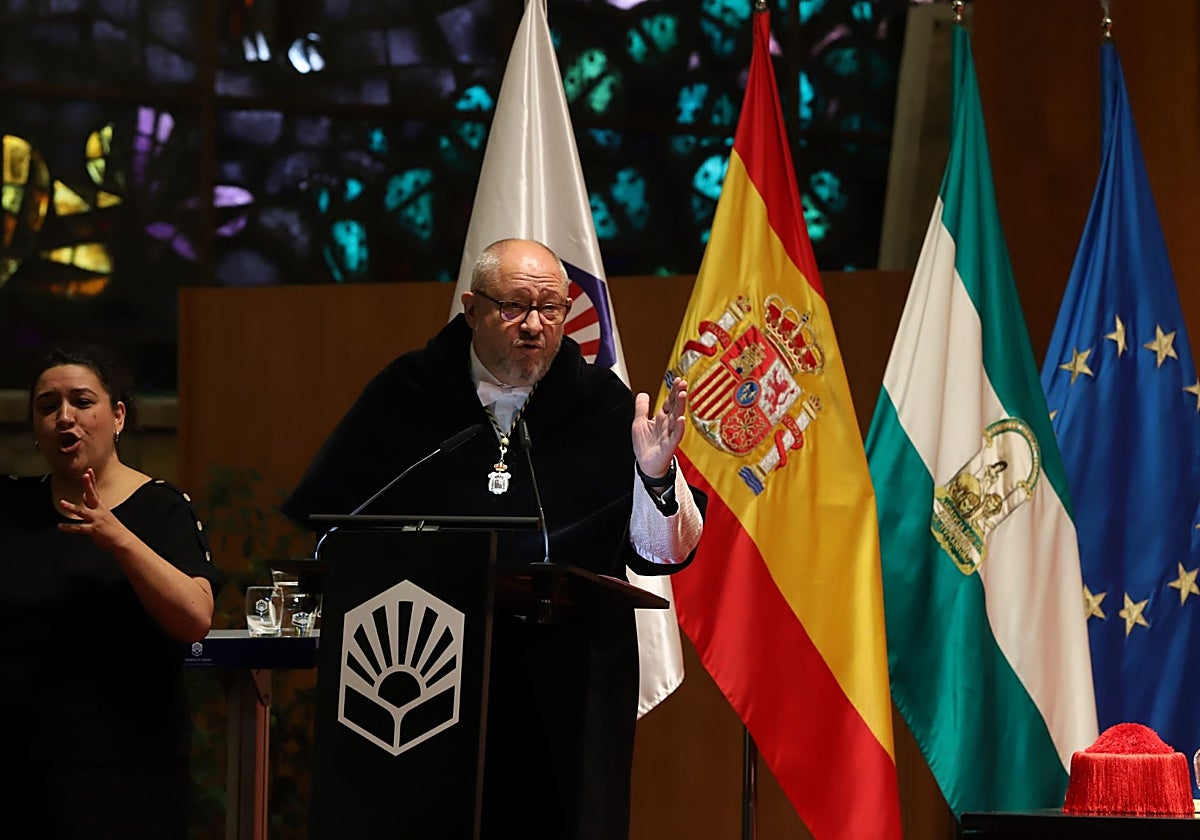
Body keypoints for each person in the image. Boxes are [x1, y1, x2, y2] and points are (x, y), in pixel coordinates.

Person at [283, 237, 704, 840]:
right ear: (472, 307)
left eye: (551, 309)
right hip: (425, 668)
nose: (534, 325)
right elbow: (336, 527)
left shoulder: (602, 405)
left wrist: (656, 475)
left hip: (567, 673)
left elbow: (663, 552)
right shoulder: (408, 394)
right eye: (514, 306)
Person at [0, 345, 222, 839]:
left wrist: (117, 535)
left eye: (81, 402)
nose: (64, 418)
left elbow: (194, 619)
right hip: (21, 762)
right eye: (47, 406)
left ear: (117, 415)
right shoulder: (12, 506)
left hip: (125, 766)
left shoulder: (161, 507)